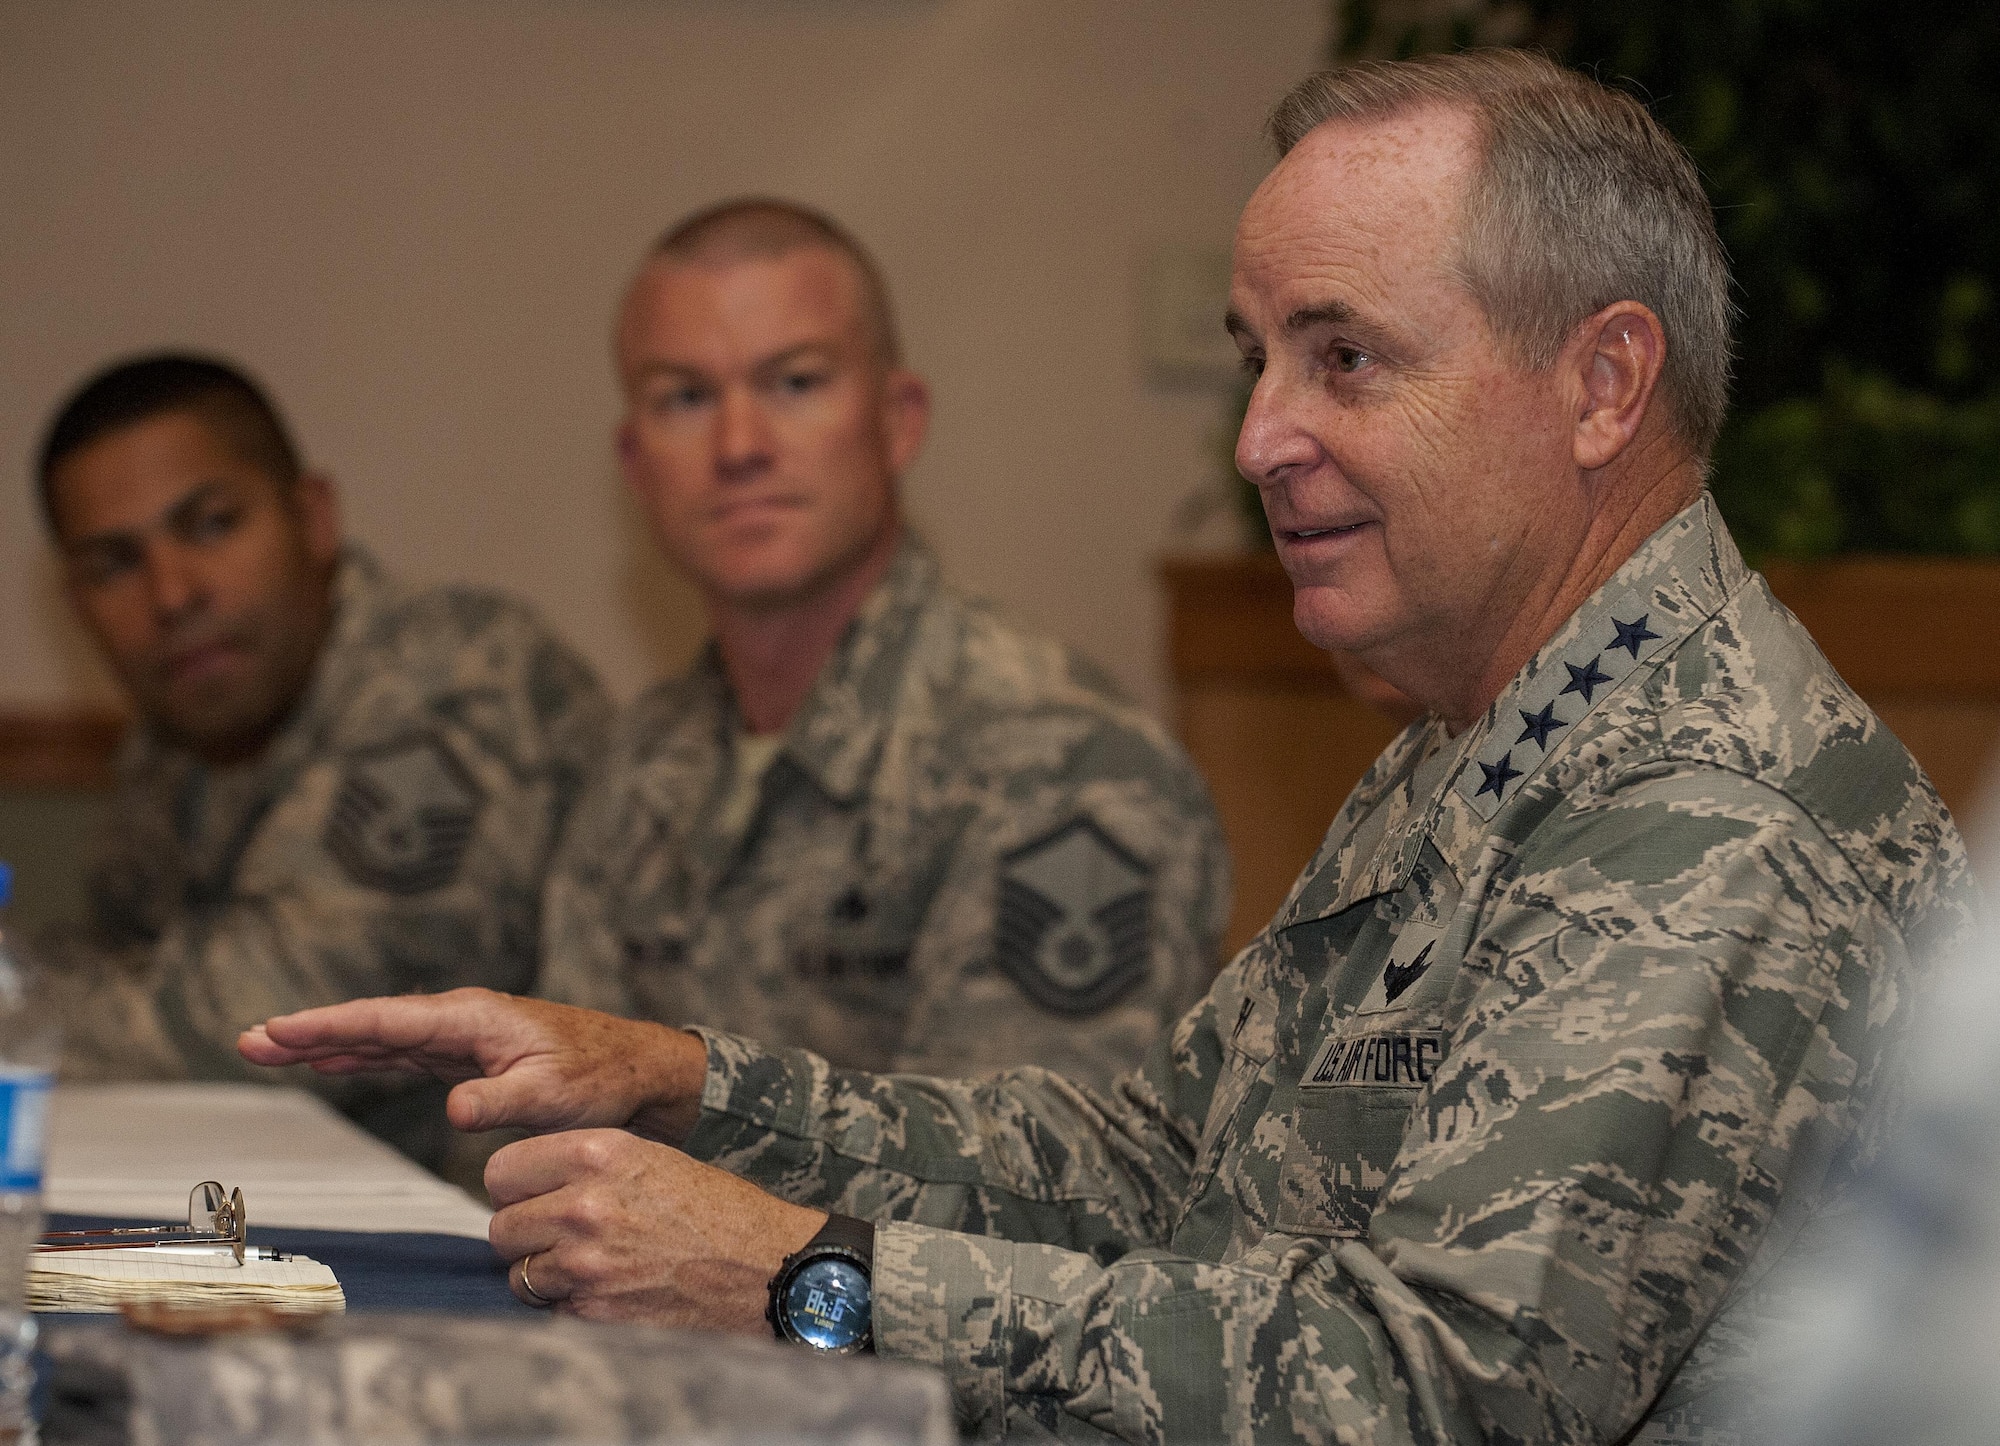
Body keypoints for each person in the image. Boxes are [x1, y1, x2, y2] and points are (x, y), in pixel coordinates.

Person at [239, 52, 1971, 1442]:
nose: (1259, 437)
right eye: (1257, 359)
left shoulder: (1708, 807)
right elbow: (1163, 1168)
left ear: (1605, 386)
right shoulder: (1494, 729)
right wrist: (698, 1083)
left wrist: (800, 1279)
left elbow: (1438, 1394)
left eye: (1344, 357)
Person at [534, 200, 1230, 1087]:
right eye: (686, 398)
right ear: (636, 464)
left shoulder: (1062, 764)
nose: (739, 446)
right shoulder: (640, 767)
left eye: (795, 383)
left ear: (899, 420)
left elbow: (1034, 1193)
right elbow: (551, 1122)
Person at [35, 353, 609, 1171]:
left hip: (543, 1252)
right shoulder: (177, 744)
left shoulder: (459, 681)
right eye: (115, 565)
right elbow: (122, 979)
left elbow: (275, 1023)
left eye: (212, 524)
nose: (171, 595)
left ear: (312, 519)